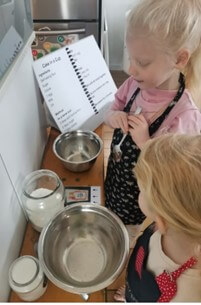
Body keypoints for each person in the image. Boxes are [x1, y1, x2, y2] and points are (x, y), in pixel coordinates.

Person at [104, 0, 201, 228]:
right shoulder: (133, 84)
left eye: (142, 62)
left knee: (131, 229)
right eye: (130, 57)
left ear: (179, 59)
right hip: (116, 178)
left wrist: (146, 143)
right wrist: (113, 116)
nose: (130, 69)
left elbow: (173, 178)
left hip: (144, 200)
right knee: (111, 211)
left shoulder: (184, 116)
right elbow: (112, 108)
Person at [120, 133, 201, 302]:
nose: (138, 191)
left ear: (162, 221)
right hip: (138, 280)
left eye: (141, 190)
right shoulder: (165, 221)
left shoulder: (188, 296)